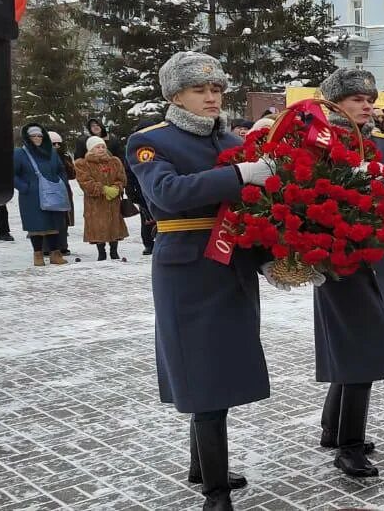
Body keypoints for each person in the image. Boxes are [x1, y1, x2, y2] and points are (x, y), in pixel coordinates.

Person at [126, 52, 274, 510]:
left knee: (221, 369)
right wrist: (237, 175)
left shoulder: (231, 138)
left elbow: (248, 209)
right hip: (187, 267)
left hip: (232, 264)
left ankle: (201, 464)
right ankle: (215, 491)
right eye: (199, 90)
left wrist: (270, 257)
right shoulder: (150, 141)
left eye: (216, 90)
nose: (211, 97)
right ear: (175, 96)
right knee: (201, 373)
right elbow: (165, 194)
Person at [311, 68, 384, 479]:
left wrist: (380, 170)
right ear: (335, 102)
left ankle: (333, 428)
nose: (366, 105)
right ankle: (350, 446)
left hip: (378, 256)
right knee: (361, 347)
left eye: (369, 99)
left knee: (358, 344)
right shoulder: (318, 141)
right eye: (357, 99)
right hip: (337, 259)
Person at [12, 124, 70, 266]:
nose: (37, 138)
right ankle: (37, 254)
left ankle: (55, 254)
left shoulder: (51, 152)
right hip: (32, 195)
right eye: (33, 136)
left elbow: (61, 169)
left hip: (53, 191)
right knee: (36, 225)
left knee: (54, 223)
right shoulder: (20, 153)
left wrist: (60, 181)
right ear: (28, 137)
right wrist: (25, 187)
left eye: (39, 135)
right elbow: (12, 174)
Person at [74, 136, 129, 261]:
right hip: (95, 202)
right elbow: (85, 182)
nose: (101, 149)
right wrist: (103, 189)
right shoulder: (83, 164)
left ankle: (114, 251)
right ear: (91, 149)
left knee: (114, 223)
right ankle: (101, 252)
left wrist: (117, 187)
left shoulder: (115, 161)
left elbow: (121, 178)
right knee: (98, 226)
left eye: (103, 146)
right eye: (97, 147)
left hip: (113, 201)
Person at [49, 131, 76, 257]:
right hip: (48, 190)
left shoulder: (65, 156)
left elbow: (72, 175)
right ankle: (47, 247)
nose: (56, 146)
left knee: (64, 219)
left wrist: (67, 163)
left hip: (64, 190)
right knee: (49, 219)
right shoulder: (43, 157)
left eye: (58, 144)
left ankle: (63, 246)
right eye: (53, 144)